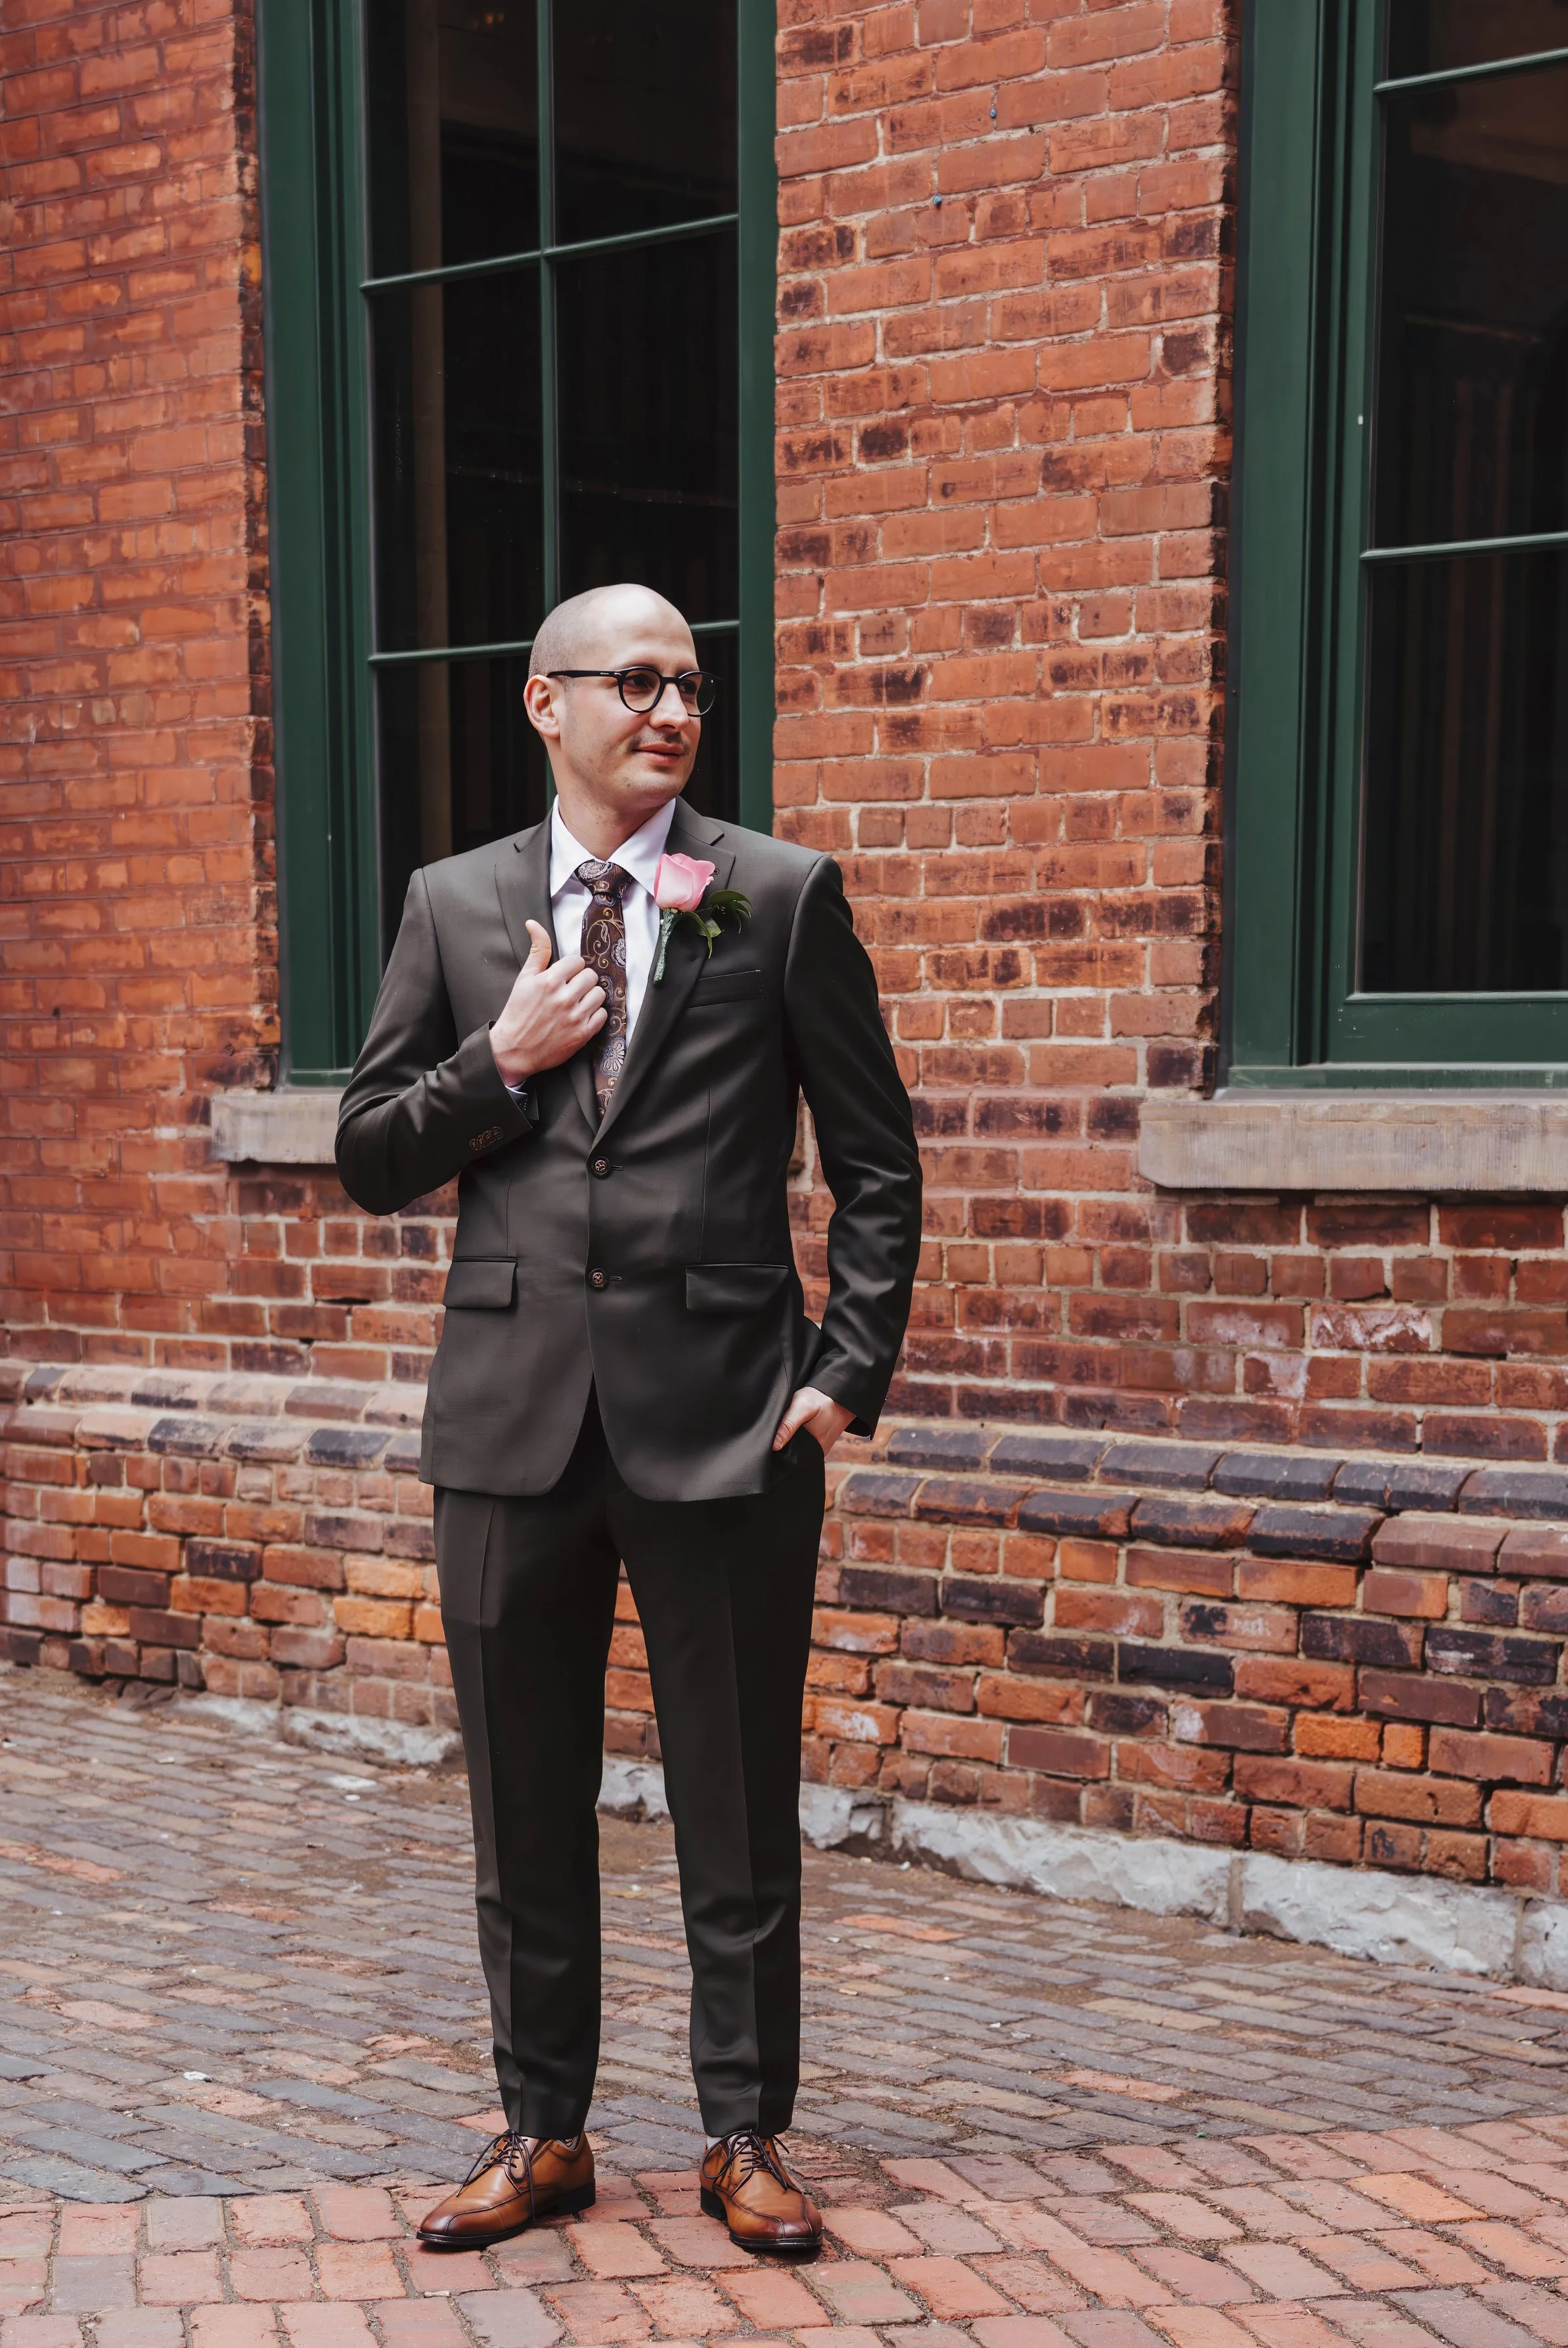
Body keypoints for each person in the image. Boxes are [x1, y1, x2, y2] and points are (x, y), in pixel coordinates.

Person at [335, 583, 922, 2253]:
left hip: (728, 1419)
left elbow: (875, 1163)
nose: (671, 710)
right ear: (547, 702)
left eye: (690, 686)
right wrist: (498, 1060)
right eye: (637, 681)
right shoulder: (453, 903)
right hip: (508, 1421)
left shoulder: (777, 895)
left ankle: (744, 2129)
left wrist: (843, 1372)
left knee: (734, 1799)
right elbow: (371, 1152)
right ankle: (542, 2127)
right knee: (522, 1807)